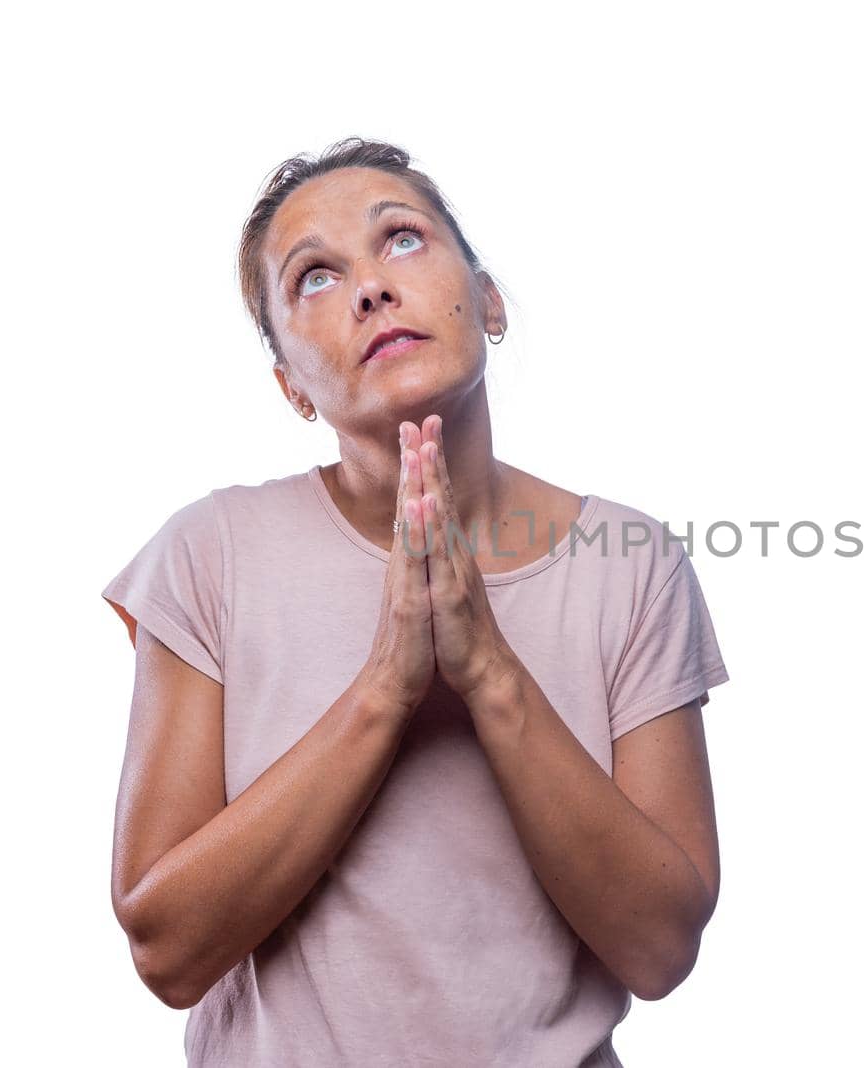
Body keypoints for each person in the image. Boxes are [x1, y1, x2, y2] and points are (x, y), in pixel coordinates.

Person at [101, 137, 731, 1067]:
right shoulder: (210, 554)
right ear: (291, 388)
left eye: (401, 240)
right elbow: (167, 949)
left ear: (489, 301)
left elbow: (661, 947)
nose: (370, 288)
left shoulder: (629, 561)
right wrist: (386, 689)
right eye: (315, 277)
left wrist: (488, 673)